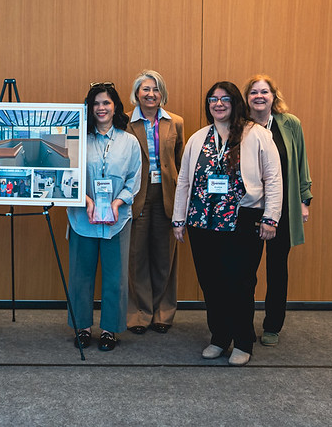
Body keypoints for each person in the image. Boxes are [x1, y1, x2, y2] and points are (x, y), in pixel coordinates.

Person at [172, 81, 282, 366]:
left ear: (235, 103)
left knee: (241, 284)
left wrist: (271, 218)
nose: (218, 104)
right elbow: (184, 180)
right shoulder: (198, 138)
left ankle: (243, 341)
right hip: (201, 221)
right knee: (211, 283)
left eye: (225, 99)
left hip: (242, 221)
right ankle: (219, 338)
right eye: (213, 99)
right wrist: (179, 218)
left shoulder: (256, 134)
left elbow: (273, 178)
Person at [67, 82, 142, 351]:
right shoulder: (77, 137)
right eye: (96, 103)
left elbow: (134, 179)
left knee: (115, 277)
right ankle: (83, 328)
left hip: (117, 219)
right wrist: (86, 200)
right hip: (82, 217)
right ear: (90, 107)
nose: (101, 108)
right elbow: (70, 174)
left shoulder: (129, 141)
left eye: (106, 103)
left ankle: (110, 329)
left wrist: (117, 203)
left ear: (115, 107)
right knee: (80, 276)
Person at [243, 75, 312, 347]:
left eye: (265, 92)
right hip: (249, 210)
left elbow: (301, 161)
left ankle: (272, 325)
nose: (259, 96)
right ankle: (243, 323)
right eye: (253, 92)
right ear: (247, 98)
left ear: (273, 96)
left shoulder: (289, 124)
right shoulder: (240, 126)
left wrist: (304, 199)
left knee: (277, 268)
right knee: (246, 270)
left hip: (282, 209)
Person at [125, 70, 185, 335]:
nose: (151, 94)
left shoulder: (176, 122)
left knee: (165, 257)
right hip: (136, 195)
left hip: (167, 195)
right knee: (136, 256)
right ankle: (139, 313)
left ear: (163, 94)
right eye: (145, 89)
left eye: (156, 89)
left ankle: (163, 312)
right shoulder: (124, 122)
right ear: (137, 93)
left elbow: (181, 162)